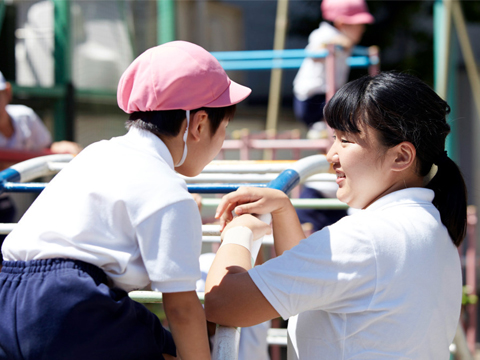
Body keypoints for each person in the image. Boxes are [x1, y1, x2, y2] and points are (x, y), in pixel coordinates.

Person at [0, 41, 251, 360]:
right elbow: (182, 308)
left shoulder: (96, 152)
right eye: (225, 127)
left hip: (9, 291)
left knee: (160, 341)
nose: (224, 138)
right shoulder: (169, 191)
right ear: (199, 124)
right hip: (71, 301)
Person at [205, 71, 466, 359]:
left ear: (401, 156)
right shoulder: (434, 227)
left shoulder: (365, 237)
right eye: (334, 138)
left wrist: (237, 233)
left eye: (346, 140)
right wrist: (283, 210)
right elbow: (317, 283)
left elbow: (223, 301)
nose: (331, 155)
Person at [293, 0, 374, 232]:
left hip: (324, 95)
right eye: (356, 24)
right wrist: (340, 43)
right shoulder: (325, 34)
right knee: (338, 125)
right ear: (340, 22)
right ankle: (321, 132)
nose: (361, 29)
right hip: (312, 97)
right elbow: (317, 48)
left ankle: (321, 131)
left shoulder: (342, 43)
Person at [0, 71, 82, 263]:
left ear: (8, 92)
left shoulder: (25, 118)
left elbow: (45, 148)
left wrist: (61, 149)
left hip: (5, 202)